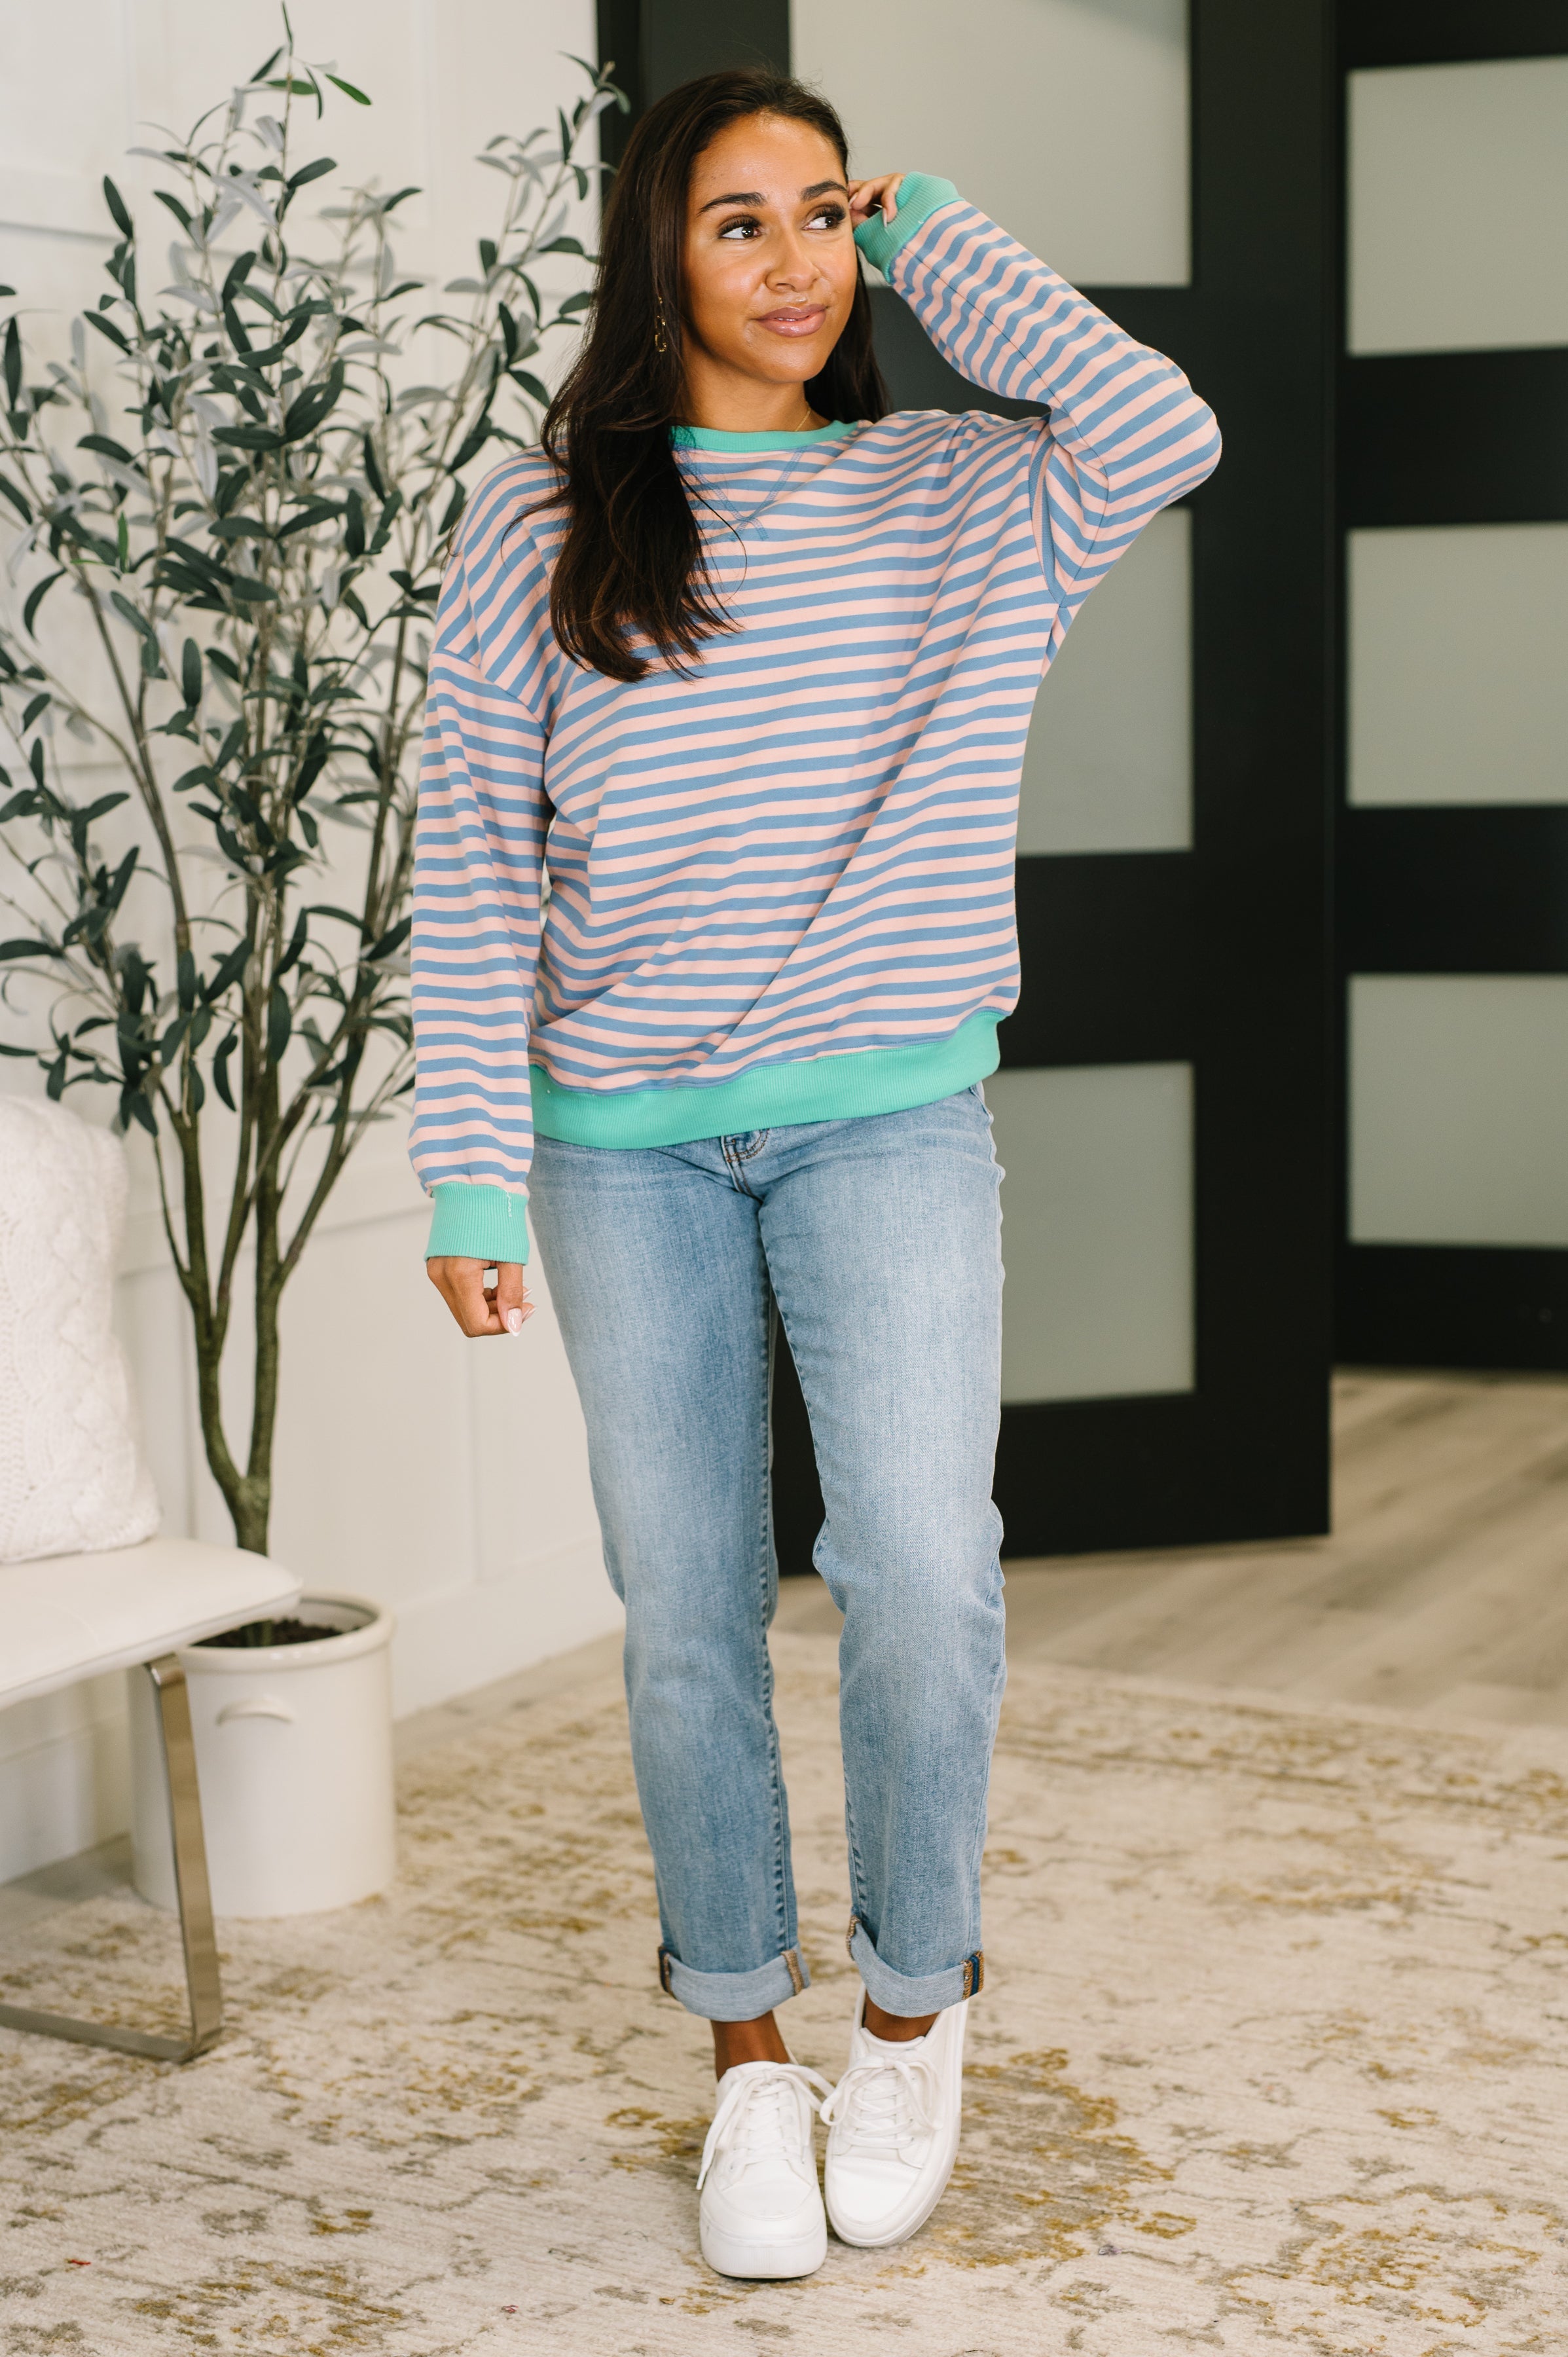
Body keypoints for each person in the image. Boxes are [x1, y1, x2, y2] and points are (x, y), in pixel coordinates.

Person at [412, 67, 1219, 2280]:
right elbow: (474, 871)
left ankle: (908, 2015)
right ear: (654, 261)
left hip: (883, 1112)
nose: (793, 263)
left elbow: (1165, 427)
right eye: (736, 223)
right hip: (614, 1151)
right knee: (686, 1615)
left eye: (821, 217)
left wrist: (938, 219)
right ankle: (746, 2064)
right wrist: (467, 1179)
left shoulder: (962, 491)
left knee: (921, 1577)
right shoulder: (534, 529)